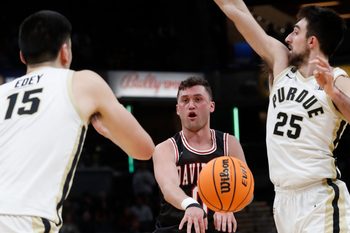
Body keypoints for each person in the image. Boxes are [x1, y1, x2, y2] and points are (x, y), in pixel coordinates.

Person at [0, 10, 155, 233]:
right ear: (65, 52)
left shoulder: (1, 92)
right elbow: (144, 149)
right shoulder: (82, 81)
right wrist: (107, 132)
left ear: (22, 56)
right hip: (25, 219)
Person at [213, 0, 350, 232]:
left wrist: (333, 93)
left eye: (295, 32)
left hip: (319, 196)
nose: (287, 38)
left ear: (312, 41)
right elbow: (236, 10)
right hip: (283, 200)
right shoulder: (281, 62)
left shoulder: (338, 78)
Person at [152, 77, 248, 233]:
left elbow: (247, 190)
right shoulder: (166, 148)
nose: (191, 105)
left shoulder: (229, 143)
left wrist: (230, 206)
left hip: (216, 228)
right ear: (178, 109)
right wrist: (190, 204)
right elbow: (168, 187)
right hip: (175, 228)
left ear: (211, 106)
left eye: (198, 99)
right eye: (185, 100)